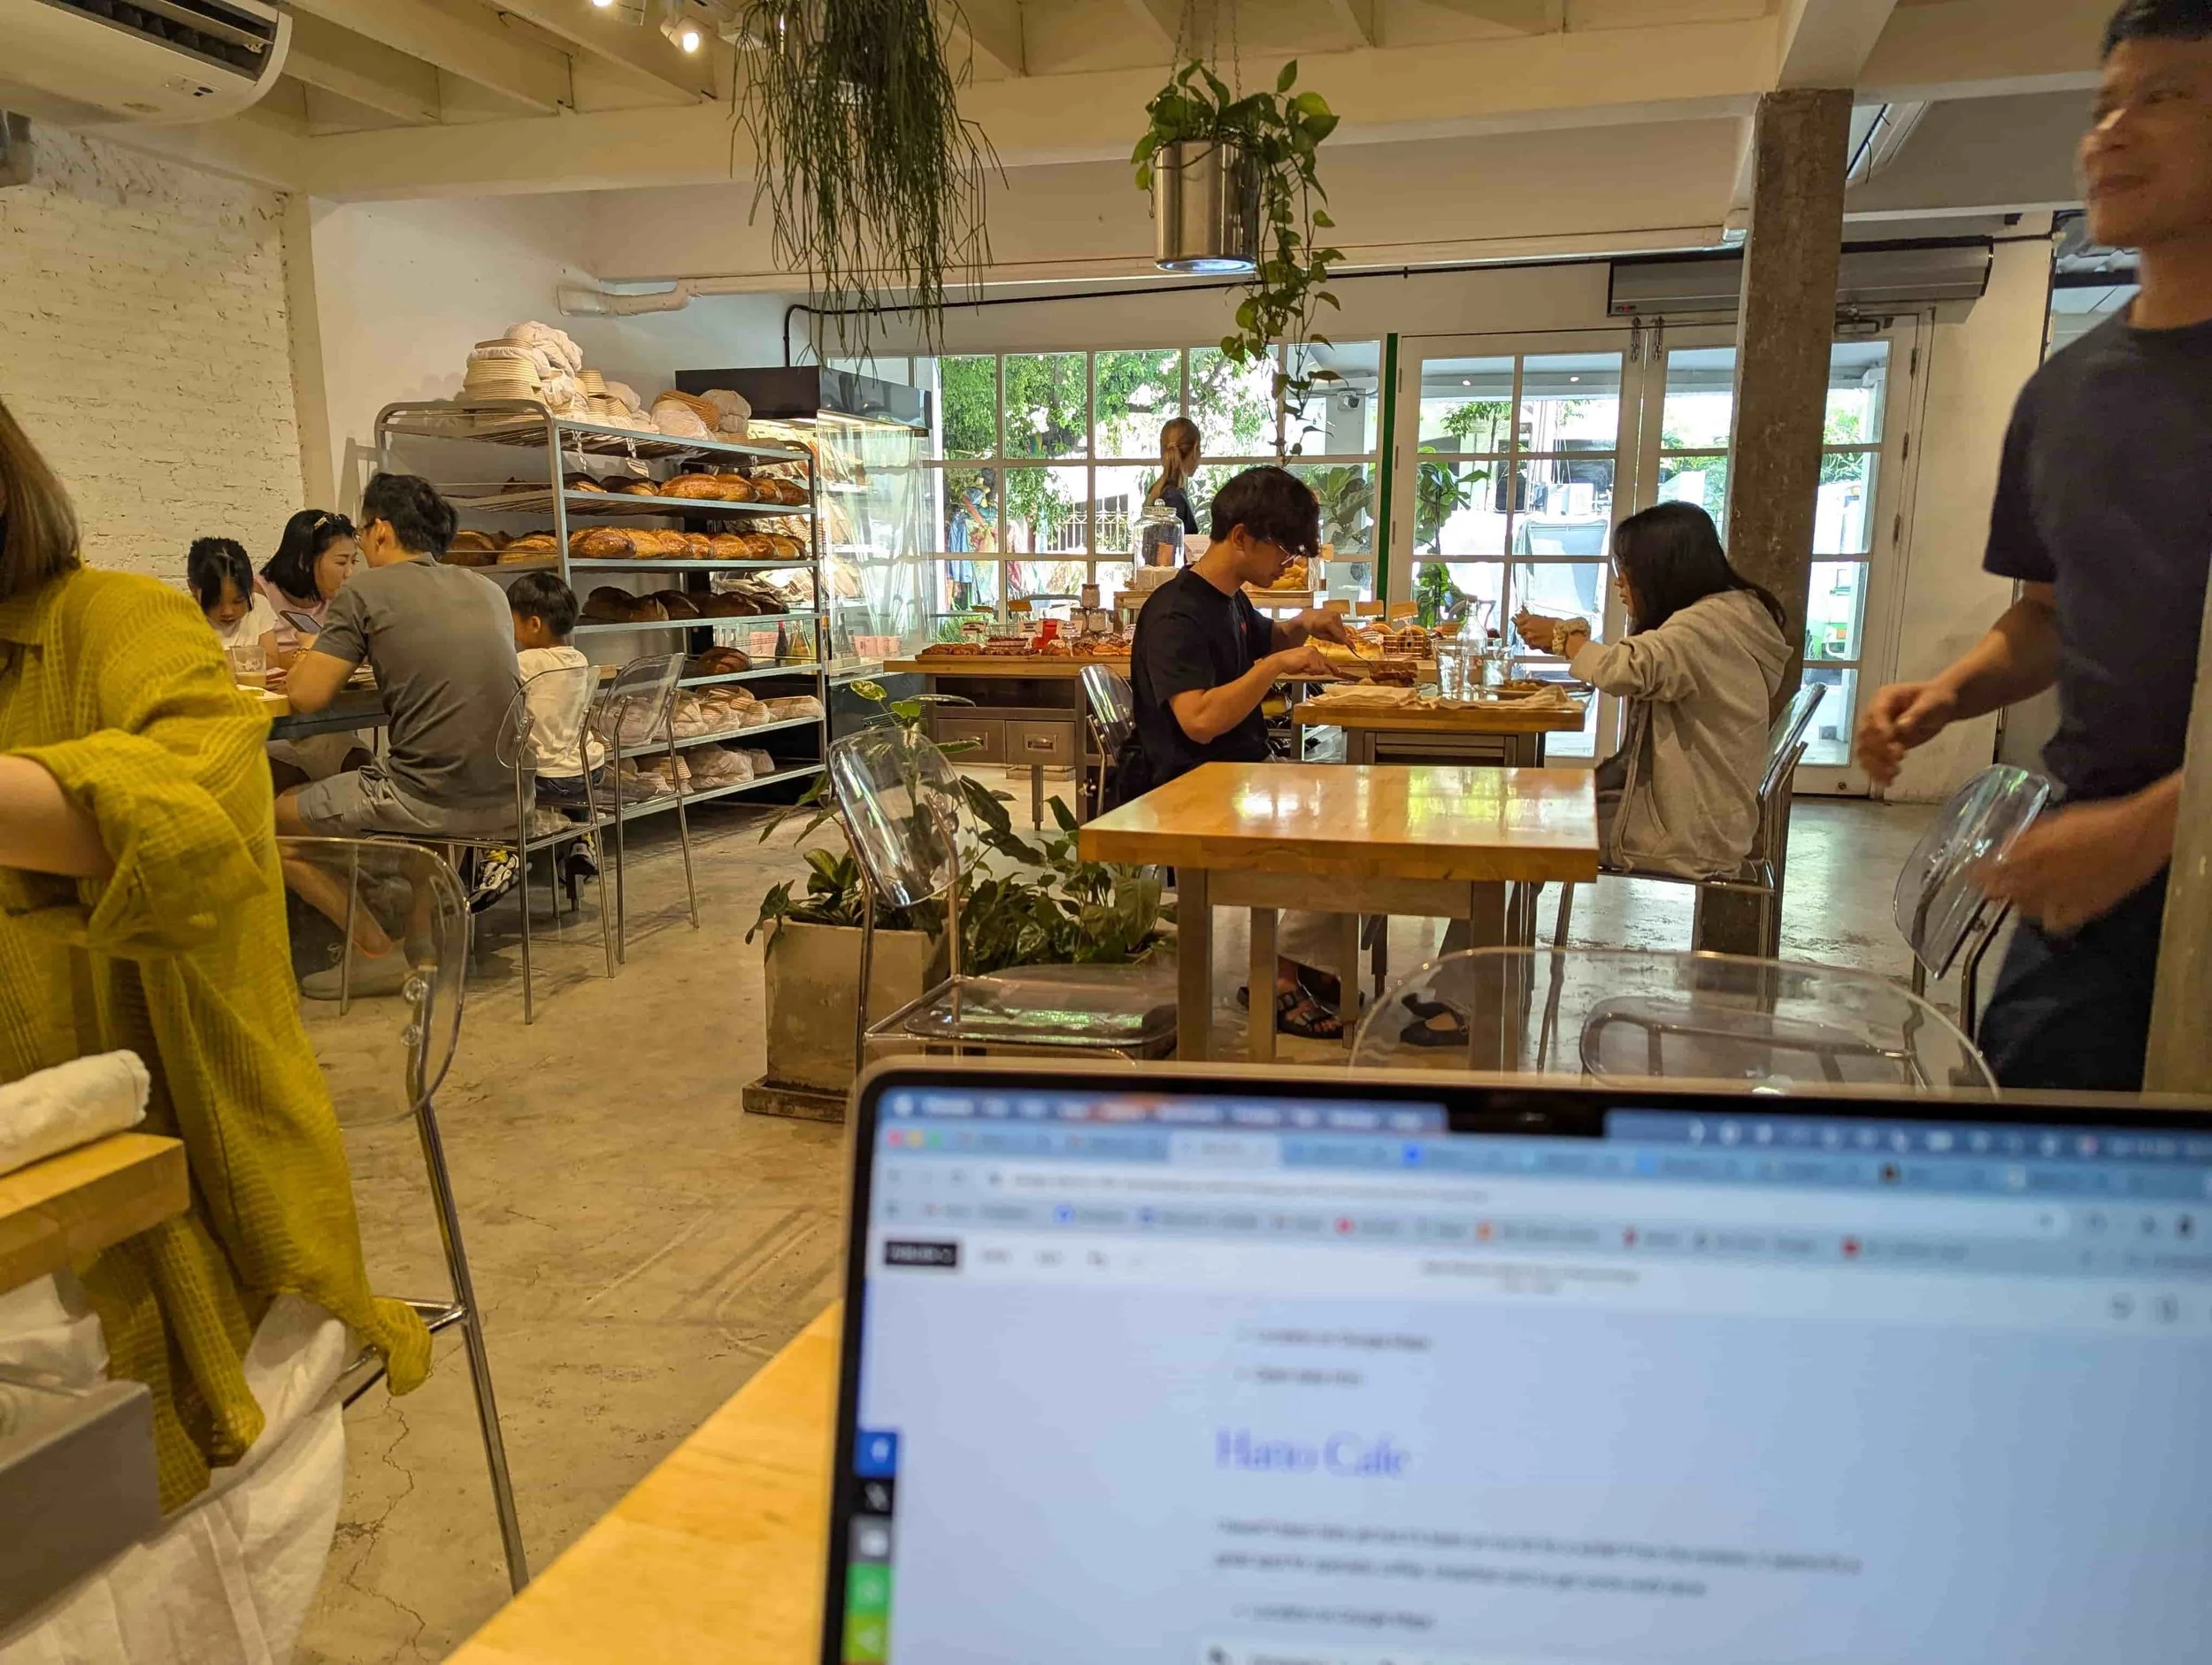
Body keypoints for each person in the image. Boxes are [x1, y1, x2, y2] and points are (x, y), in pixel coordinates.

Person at [0, 393, 428, 1653]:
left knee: (287, 818)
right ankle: (381, 928)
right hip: (484, 796)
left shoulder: (162, 627)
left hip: (414, 805)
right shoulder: (431, 596)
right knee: (292, 803)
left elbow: (285, 710)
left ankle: (369, 925)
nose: (356, 559)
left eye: (365, 544)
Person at [1855, 0, 2212, 1093]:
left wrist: (2161, 826)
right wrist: (1951, 691)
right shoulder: (2065, 395)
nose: (2111, 133)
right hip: (2087, 872)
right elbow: (2051, 614)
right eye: (2103, 104)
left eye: (2162, 97)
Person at [1124, 464, 1353, 1039]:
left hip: (1233, 777)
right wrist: (1275, 667)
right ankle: (1276, 977)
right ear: (1242, 537)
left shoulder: (1226, 598)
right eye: (1284, 549)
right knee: (1336, 827)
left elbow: (1263, 640)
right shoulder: (1177, 614)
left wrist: (1303, 625)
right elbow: (1198, 721)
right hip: (1187, 788)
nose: (1289, 563)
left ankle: (1302, 959)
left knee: (1352, 804)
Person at [276, 472, 522, 994]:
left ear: (381, 530)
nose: (361, 549)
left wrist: (304, 660)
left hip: (432, 795)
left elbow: (306, 697)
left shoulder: (366, 590)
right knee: (432, 777)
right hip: (510, 791)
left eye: (363, 535)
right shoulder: (487, 589)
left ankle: (374, 951)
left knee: (273, 824)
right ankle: (424, 947)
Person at [1518, 503, 1790, 878]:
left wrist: (1563, 638)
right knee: (1537, 806)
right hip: (1705, 817)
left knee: (1519, 828)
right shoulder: (1736, 613)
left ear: (1660, 573)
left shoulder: (1703, 628)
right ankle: (1503, 931)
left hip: (1683, 832)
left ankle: (1493, 934)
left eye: (1625, 571)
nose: (1619, 584)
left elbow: (1626, 668)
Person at [509, 569, 607, 815]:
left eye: (512, 620)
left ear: (533, 624)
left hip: (547, 778)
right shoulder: (580, 660)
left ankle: (502, 849)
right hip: (590, 769)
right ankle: (580, 838)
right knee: (566, 767)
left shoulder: (525, 662)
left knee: (495, 776)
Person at [257, 508, 357, 664]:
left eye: (353, 561)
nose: (349, 572)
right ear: (305, 561)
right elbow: (255, 660)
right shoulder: (259, 595)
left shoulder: (338, 595)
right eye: (341, 562)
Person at [185, 533, 280, 662]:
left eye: (238, 601)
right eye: (216, 602)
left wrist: (222, 659)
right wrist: (246, 657)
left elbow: (271, 658)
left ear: (251, 586)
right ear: (193, 589)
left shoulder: (259, 605)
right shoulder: (181, 615)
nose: (228, 612)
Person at [1141, 416, 1203, 560]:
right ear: (1195, 449)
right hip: (1168, 581)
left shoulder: (1157, 491)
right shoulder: (1174, 498)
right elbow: (1165, 558)